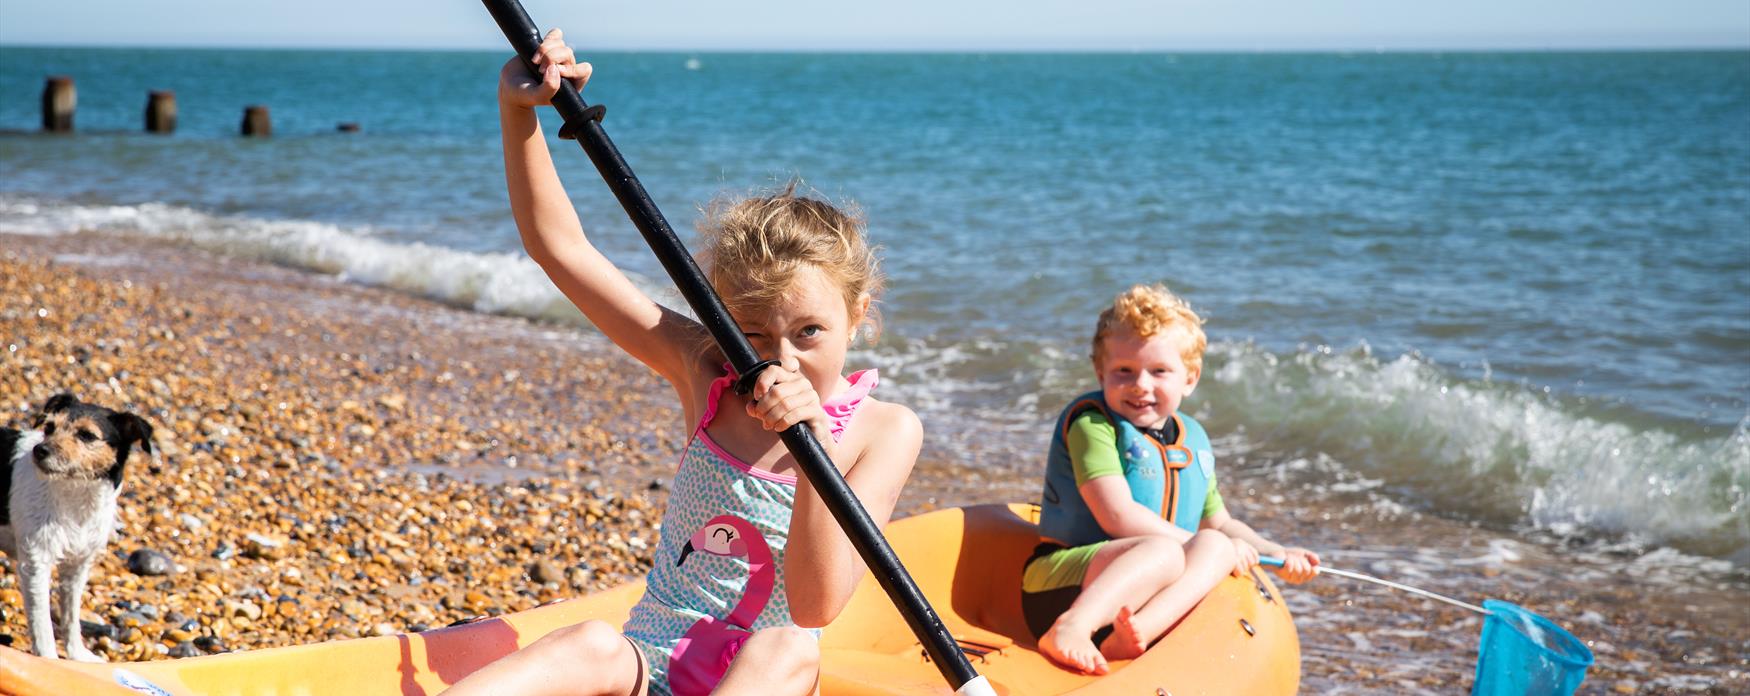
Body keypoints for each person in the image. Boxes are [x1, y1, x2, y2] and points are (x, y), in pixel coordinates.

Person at [444, 30, 923, 696]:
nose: (781, 358)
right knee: (591, 642)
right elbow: (562, 251)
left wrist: (816, 445)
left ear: (859, 312)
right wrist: (518, 111)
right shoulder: (705, 368)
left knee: (788, 645)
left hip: (764, 683)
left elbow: (817, 607)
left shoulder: (884, 431)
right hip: (652, 667)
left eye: (810, 332)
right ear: (719, 318)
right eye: (752, 332)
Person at [1025, 284, 1319, 675]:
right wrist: (1199, 543)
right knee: (1168, 551)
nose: (1141, 385)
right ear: (1100, 372)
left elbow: (1220, 522)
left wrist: (1278, 553)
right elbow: (1118, 517)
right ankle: (1071, 627)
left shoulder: (1191, 439)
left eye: (1159, 371)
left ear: (1190, 378)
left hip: (1135, 605)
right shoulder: (1092, 424)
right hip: (1062, 588)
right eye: (1123, 371)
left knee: (1215, 544)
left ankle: (1137, 633)